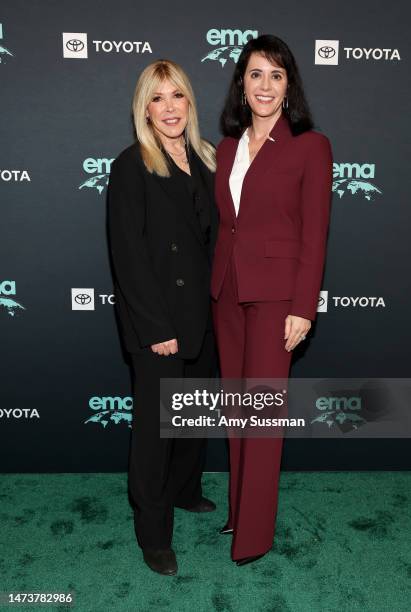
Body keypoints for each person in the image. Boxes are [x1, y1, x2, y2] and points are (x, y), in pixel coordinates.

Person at [211, 34, 333, 566]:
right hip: (227, 291)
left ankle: (254, 536)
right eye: (256, 74)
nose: (265, 85)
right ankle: (239, 511)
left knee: (262, 415)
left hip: (277, 297)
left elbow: (315, 233)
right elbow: (226, 224)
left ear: (289, 87)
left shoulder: (311, 145)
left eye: (276, 75)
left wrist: (303, 307)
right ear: (241, 83)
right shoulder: (226, 148)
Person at [107, 59, 219, 576]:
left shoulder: (208, 158)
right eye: (157, 98)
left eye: (177, 96)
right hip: (159, 322)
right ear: (144, 108)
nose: (169, 108)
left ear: (189, 102)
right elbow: (127, 255)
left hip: (203, 316)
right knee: (155, 433)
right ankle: (152, 534)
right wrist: (157, 330)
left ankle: (184, 491)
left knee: (191, 417)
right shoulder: (133, 164)